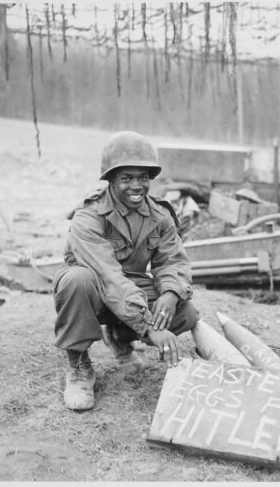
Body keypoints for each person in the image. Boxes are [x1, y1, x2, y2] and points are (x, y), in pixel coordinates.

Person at [53, 131, 199, 411]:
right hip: (93, 287)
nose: (137, 185)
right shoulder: (89, 216)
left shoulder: (159, 215)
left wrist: (170, 292)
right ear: (110, 180)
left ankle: (120, 337)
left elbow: (173, 261)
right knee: (76, 280)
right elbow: (107, 276)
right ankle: (79, 366)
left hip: (128, 289)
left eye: (143, 177)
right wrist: (149, 326)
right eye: (126, 178)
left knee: (185, 312)